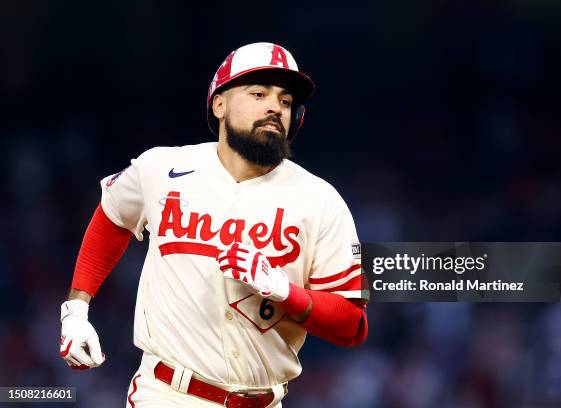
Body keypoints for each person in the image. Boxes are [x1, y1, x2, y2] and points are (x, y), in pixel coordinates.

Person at [59, 42, 369, 407]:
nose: (275, 107)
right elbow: (112, 217)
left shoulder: (321, 200)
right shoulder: (161, 169)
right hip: (167, 394)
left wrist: (287, 292)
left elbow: (352, 325)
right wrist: (76, 311)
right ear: (219, 104)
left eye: (285, 101)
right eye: (258, 93)